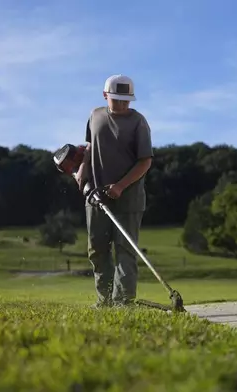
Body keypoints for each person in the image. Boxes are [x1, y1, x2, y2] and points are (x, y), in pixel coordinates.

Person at [75, 74, 153, 308]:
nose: (121, 105)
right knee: (97, 250)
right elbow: (90, 147)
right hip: (96, 196)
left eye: (125, 101)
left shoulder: (139, 122)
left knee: (125, 252)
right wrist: (82, 167)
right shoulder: (95, 115)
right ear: (105, 95)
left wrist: (120, 186)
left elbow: (145, 161)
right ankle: (104, 302)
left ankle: (123, 304)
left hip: (128, 197)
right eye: (116, 99)